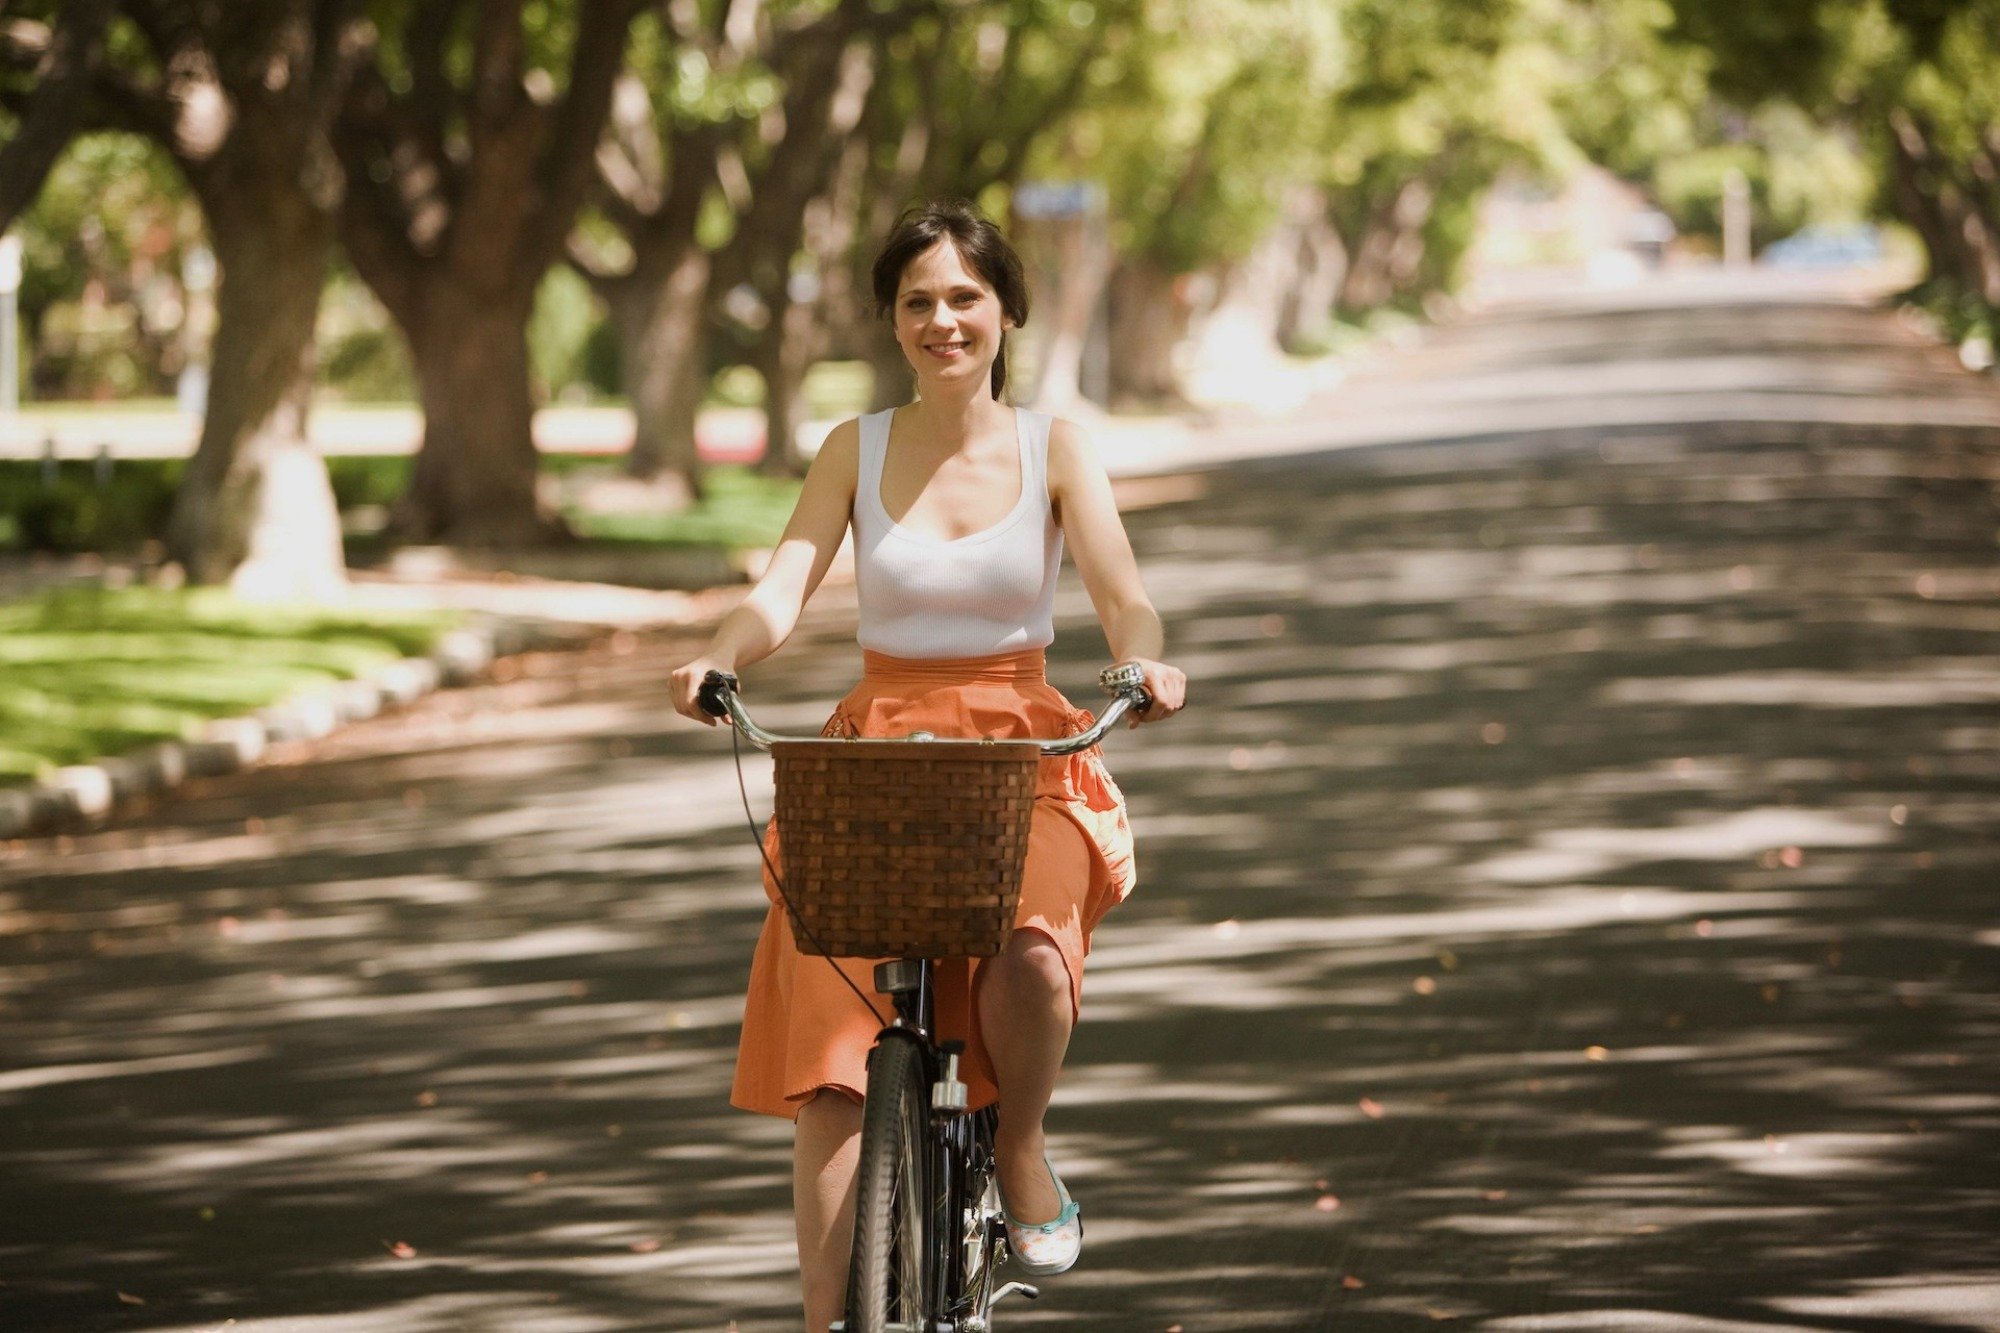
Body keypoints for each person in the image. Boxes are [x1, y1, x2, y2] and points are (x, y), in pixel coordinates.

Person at [669, 198, 1186, 1331]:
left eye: (964, 297)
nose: (941, 320)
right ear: (889, 320)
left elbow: (1120, 592)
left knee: (1031, 953)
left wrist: (1145, 664)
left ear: (1005, 312)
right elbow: (779, 588)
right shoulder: (851, 448)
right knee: (834, 1052)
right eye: (917, 301)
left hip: (1020, 746)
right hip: (880, 754)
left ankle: (1020, 1141)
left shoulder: (1056, 448)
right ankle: (828, 1320)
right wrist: (718, 653)